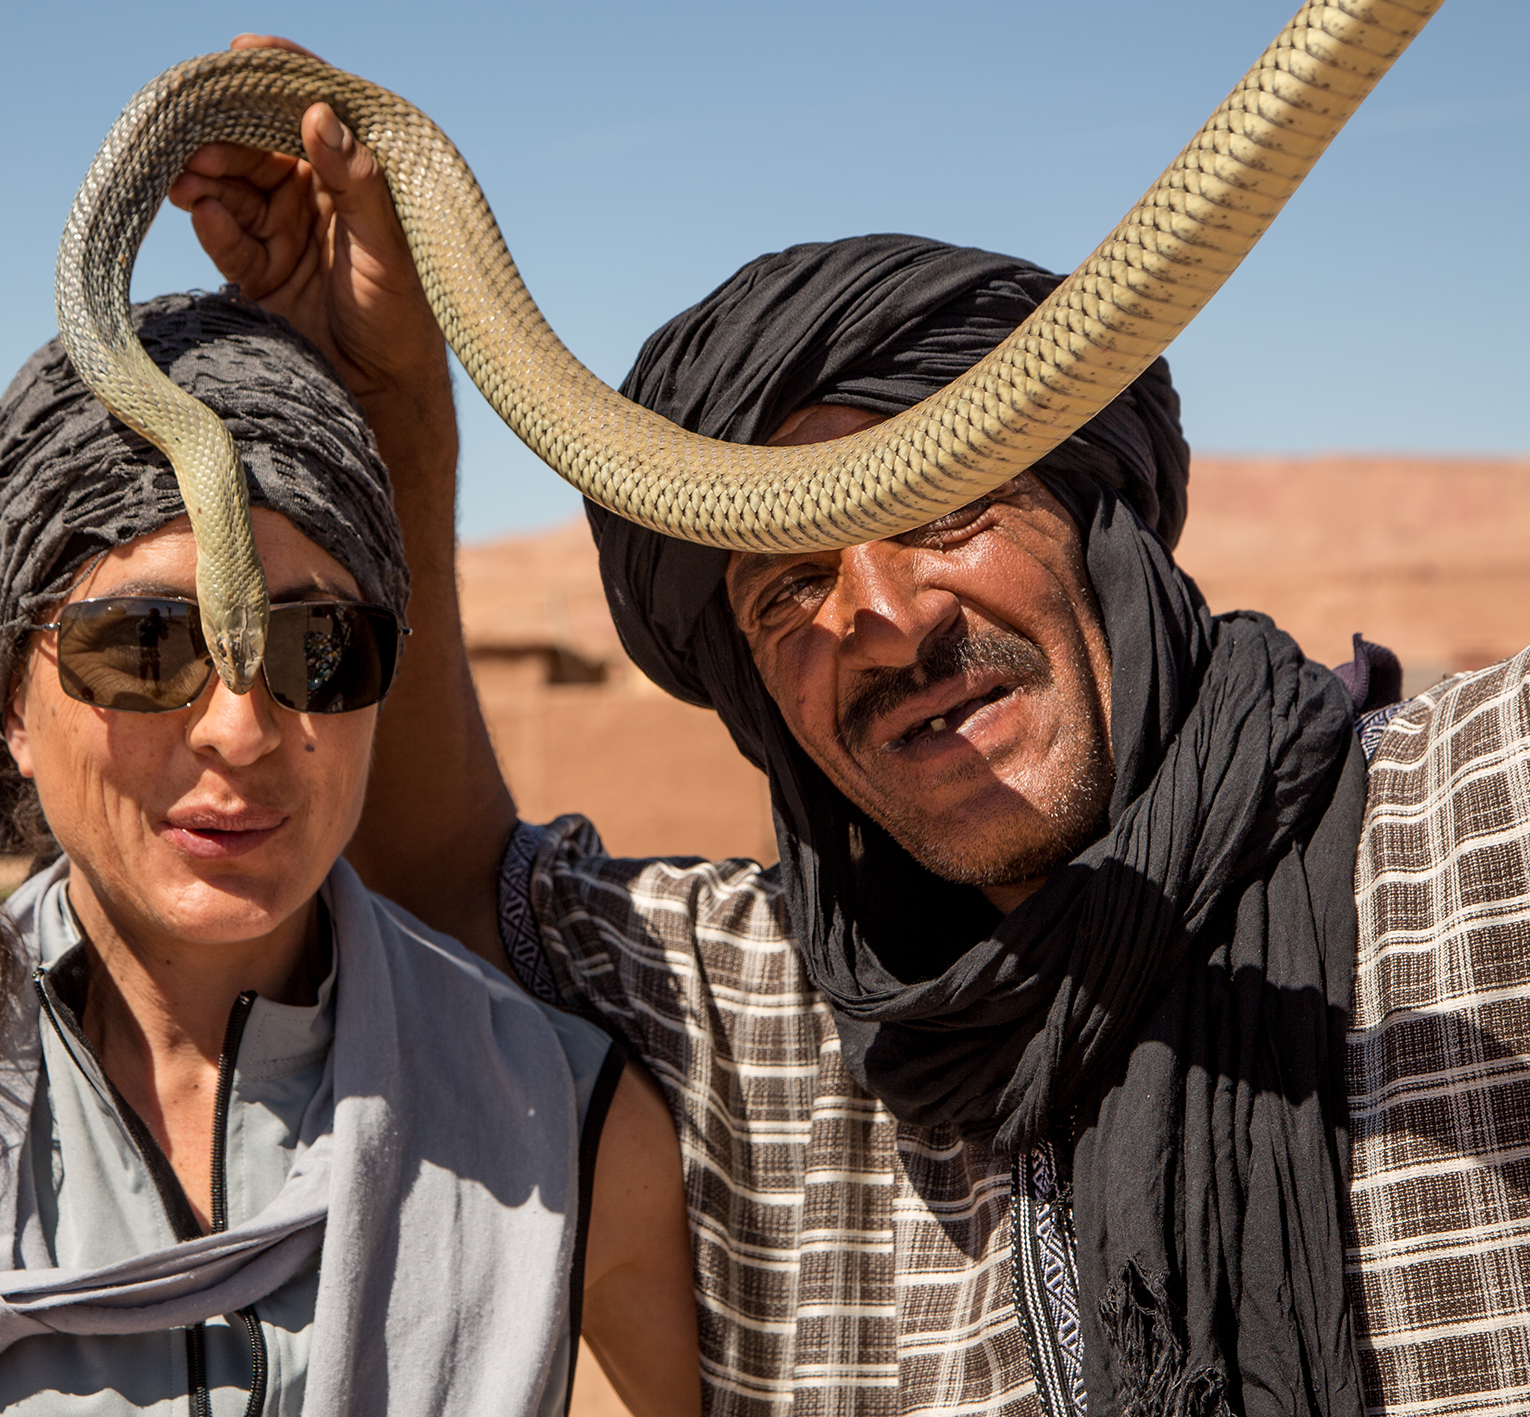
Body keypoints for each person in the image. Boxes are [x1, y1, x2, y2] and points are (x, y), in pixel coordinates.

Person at [164, 33, 1530, 1417]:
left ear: (1094, 528)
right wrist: (389, 404)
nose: (879, 616)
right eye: (787, 586)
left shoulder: (1464, 828)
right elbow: (437, 896)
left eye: (946, 511)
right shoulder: (761, 1024)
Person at [0, 291, 701, 1416]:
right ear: (13, 700)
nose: (240, 730)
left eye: (319, 648)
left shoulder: (560, 1124)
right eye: (144, 647)